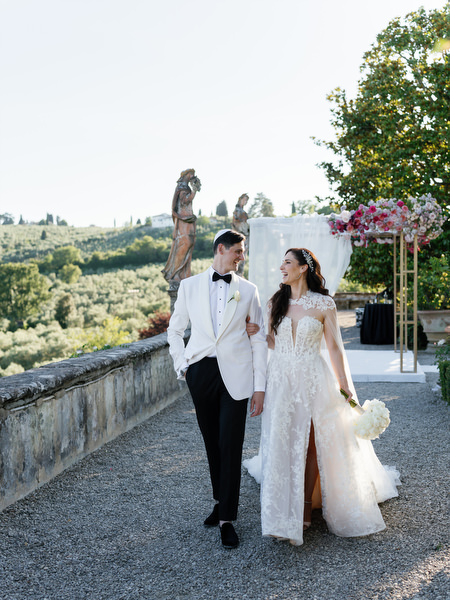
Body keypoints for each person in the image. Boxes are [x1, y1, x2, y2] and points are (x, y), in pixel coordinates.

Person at [244, 248, 400, 546]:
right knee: (283, 441)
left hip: (313, 378)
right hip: (281, 379)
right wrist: (257, 332)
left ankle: (304, 507)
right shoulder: (274, 302)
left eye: (287, 263)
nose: (282, 267)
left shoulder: (323, 303)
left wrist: (344, 387)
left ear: (303, 268)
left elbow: (335, 349)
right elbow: (273, 343)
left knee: (314, 441)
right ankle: (280, 513)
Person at [167, 229, 267, 549]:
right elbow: (175, 329)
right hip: (201, 372)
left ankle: (227, 519)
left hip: (236, 375)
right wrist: (182, 364)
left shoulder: (249, 291)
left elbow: (258, 339)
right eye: (238, 251)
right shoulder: (189, 286)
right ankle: (219, 500)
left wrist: (260, 387)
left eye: (243, 251)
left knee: (231, 443)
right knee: (212, 442)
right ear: (221, 249)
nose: (242, 256)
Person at [162, 168, 201, 282]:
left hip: (188, 218)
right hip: (184, 219)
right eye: (191, 175)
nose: (193, 176)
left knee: (189, 242)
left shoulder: (185, 187)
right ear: (187, 175)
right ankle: (176, 273)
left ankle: (183, 273)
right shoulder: (182, 188)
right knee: (185, 243)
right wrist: (194, 191)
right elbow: (185, 201)